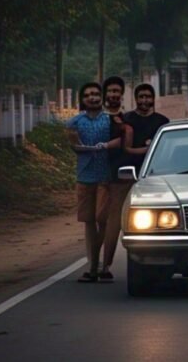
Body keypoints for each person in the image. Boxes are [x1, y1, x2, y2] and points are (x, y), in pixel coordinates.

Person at [66, 82, 122, 283]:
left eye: (96, 94)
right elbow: (74, 145)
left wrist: (102, 147)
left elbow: (120, 141)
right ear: (82, 99)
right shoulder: (74, 122)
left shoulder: (110, 120)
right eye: (88, 94)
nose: (92, 97)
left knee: (103, 219)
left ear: (102, 97)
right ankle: (93, 265)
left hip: (105, 177)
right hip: (84, 177)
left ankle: (100, 263)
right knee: (89, 222)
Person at [100, 76, 133, 282]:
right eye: (110, 91)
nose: (113, 95)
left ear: (121, 94)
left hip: (121, 177)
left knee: (114, 222)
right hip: (99, 176)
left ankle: (105, 265)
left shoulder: (127, 119)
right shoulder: (98, 119)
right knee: (98, 221)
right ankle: (95, 264)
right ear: (106, 94)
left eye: (116, 91)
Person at [123, 84, 169, 174]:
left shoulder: (163, 121)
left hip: (156, 170)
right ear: (136, 99)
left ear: (153, 99)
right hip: (131, 170)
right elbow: (125, 149)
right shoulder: (126, 119)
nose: (144, 100)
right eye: (141, 97)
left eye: (148, 97)